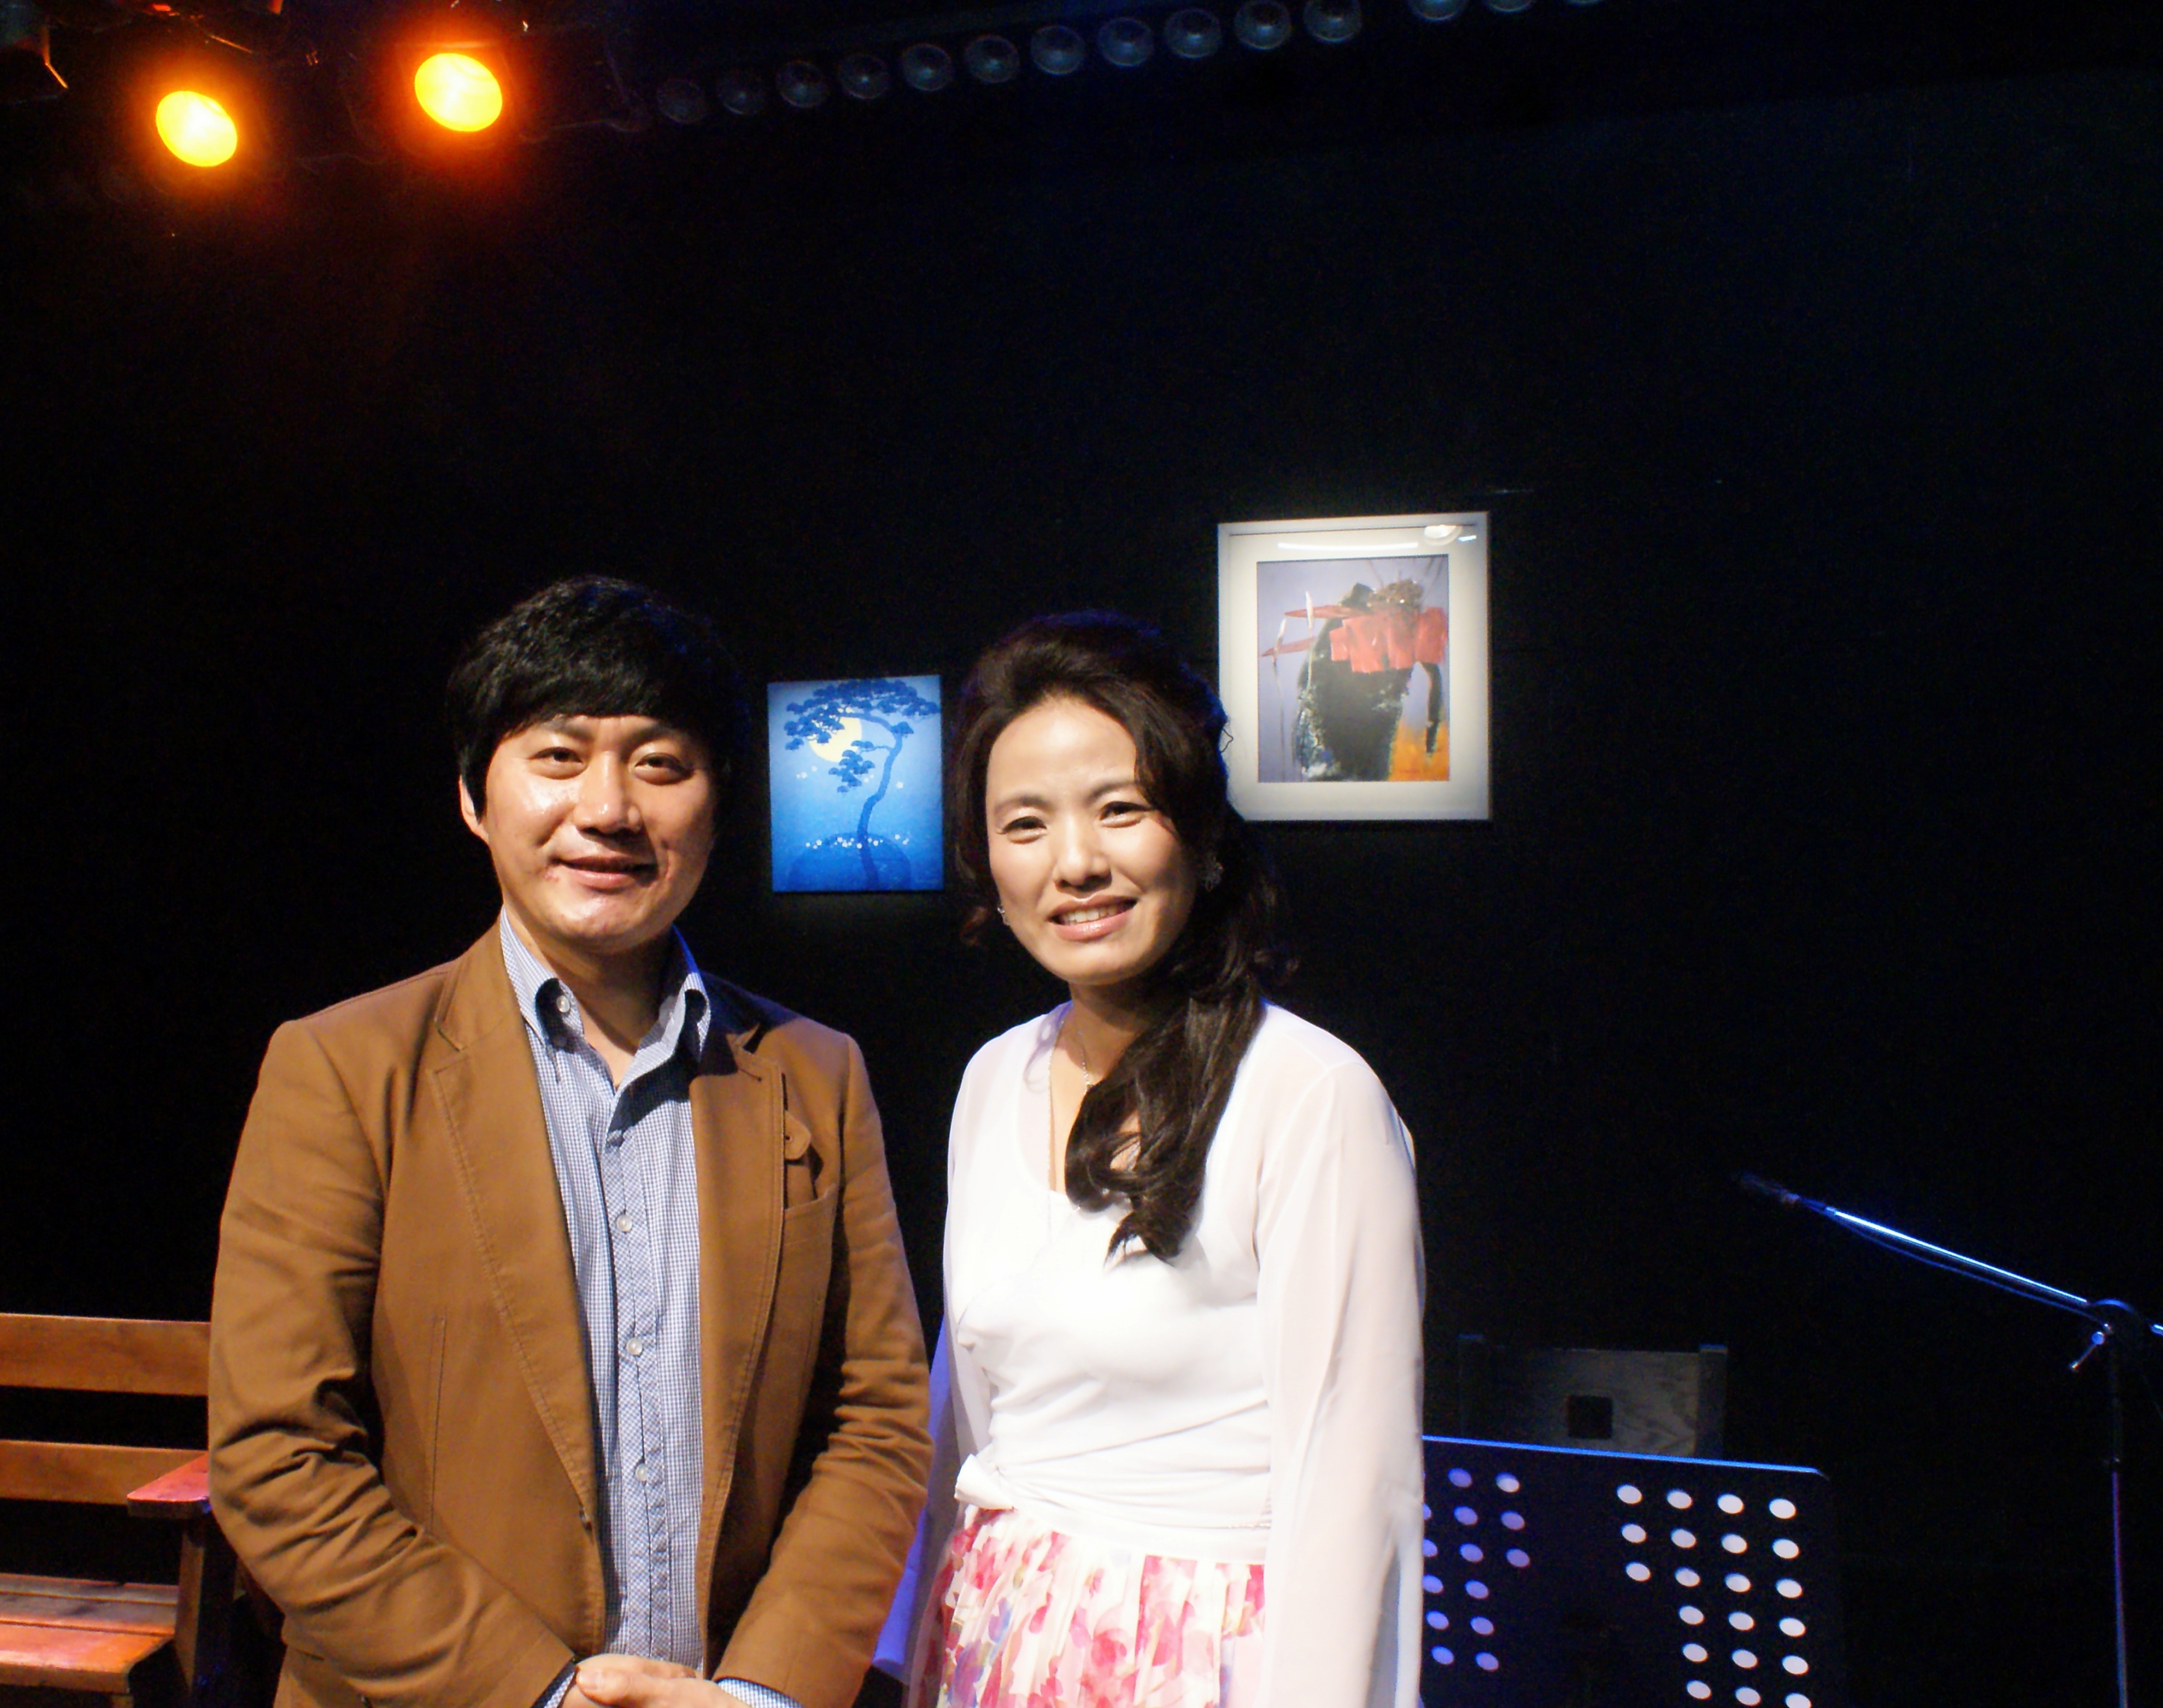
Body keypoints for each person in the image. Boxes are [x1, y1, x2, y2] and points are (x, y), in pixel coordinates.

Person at [209, 576, 931, 1708]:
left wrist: (760, 1692)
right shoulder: (345, 1068)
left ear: (718, 801)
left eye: (660, 763)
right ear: (473, 794)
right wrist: (536, 1691)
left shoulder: (817, 1073)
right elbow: (278, 1454)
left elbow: (876, 1417)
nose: (609, 807)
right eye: (557, 756)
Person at [884, 611, 1425, 1707]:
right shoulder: (994, 1078)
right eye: (1025, 824)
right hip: (994, 1636)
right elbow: (971, 1420)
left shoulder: (1308, 1094)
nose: (1076, 862)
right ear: (988, 868)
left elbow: (1354, 1488)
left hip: (1200, 1659)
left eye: (1120, 809)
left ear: (1204, 837)